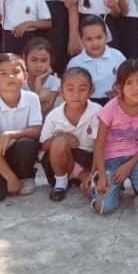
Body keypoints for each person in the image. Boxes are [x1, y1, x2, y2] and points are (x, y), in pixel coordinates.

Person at [90, 60, 138, 214]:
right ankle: (103, 184)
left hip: (135, 158)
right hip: (111, 160)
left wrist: (128, 166)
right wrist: (102, 175)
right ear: (119, 86)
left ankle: (137, 181)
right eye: (129, 83)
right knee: (103, 208)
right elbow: (99, 144)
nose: (136, 88)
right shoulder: (110, 108)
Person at [0, 53, 42, 202]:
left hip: (19, 151)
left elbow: (37, 130)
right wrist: (10, 179)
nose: (10, 76)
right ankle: (4, 176)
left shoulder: (32, 98)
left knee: (27, 143)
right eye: (3, 73)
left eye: (16, 72)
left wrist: (10, 134)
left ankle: (26, 176)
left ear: (25, 76)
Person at [39, 67, 101, 201]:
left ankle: (84, 176)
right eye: (70, 89)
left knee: (99, 189)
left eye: (82, 89)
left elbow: (99, 145)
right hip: (58, 164)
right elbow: (43, 146)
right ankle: (61, 184)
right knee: (59, 142)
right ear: (61, 91)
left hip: (88, 159)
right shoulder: (54, 116)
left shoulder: (97, 112)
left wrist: (93, 173)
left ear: (91, 91)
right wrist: (63, 137)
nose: (76, 94)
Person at [66, 15, 126, 106]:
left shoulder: (117, 56)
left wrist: (120, 93)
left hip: (115, 103)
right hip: (86, 105)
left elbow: (127, 79)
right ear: (81, 40)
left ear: (106, 36)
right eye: (89, 39)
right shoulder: (75, 63)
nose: (95, 43)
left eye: (99, 37)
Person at [22, 37, 60, 116]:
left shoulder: (55, 83)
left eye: (44, 60)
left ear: (50, 61)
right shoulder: (19, 81)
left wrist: (38, 83)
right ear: (25, 58)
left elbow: (42, 113)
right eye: (34, 60)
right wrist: (40, 97)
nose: (39, 65)